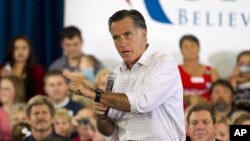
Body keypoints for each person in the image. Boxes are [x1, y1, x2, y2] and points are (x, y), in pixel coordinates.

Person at [63, 9, 185, 141]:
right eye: (116, 37)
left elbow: (143, 102)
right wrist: (102, 116)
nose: (122, 43)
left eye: (127, 35)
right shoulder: (115, 75)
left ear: (143, 34)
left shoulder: (163, 62)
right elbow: (111, 132)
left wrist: (94, 94)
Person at [178, 35, 219, 108]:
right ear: (181, 51)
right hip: (181, 112)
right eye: (186, 47)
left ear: (199, 48)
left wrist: (204, 102)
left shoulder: (211, 71)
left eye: (193, 46)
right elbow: (168, 94)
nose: (190, 50)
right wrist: (188, 99)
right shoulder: (175, 70)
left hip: (207, 110)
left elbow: (218, 93)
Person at [0, 36, 45, 100]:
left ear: (30, 51)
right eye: (16, 48)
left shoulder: (38, 71)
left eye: (24, 48)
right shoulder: (2, 69)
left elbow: (40, 96)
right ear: (11, 51)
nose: (20, 51)